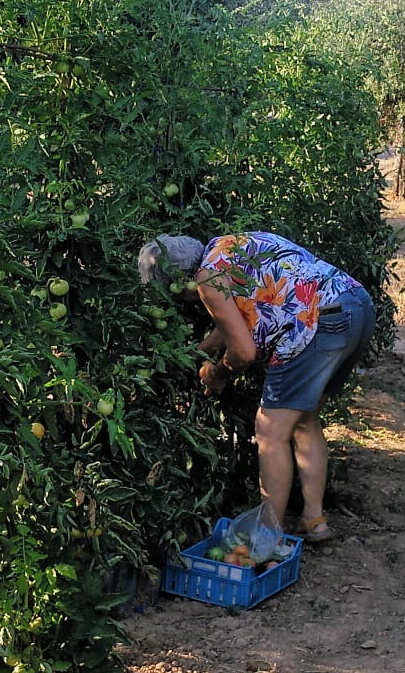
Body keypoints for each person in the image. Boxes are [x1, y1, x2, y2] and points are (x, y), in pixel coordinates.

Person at [137, 231, 374, 542]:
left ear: (180, 283)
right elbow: (232, 320)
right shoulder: (228, 247)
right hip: (354, 306)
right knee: (304, 418)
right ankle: (314, 522)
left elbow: (244, 352)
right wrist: (198, 353)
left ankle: (268, 534)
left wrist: (218, 374)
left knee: (269, 429)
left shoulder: (208, 279)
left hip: (315, 324)